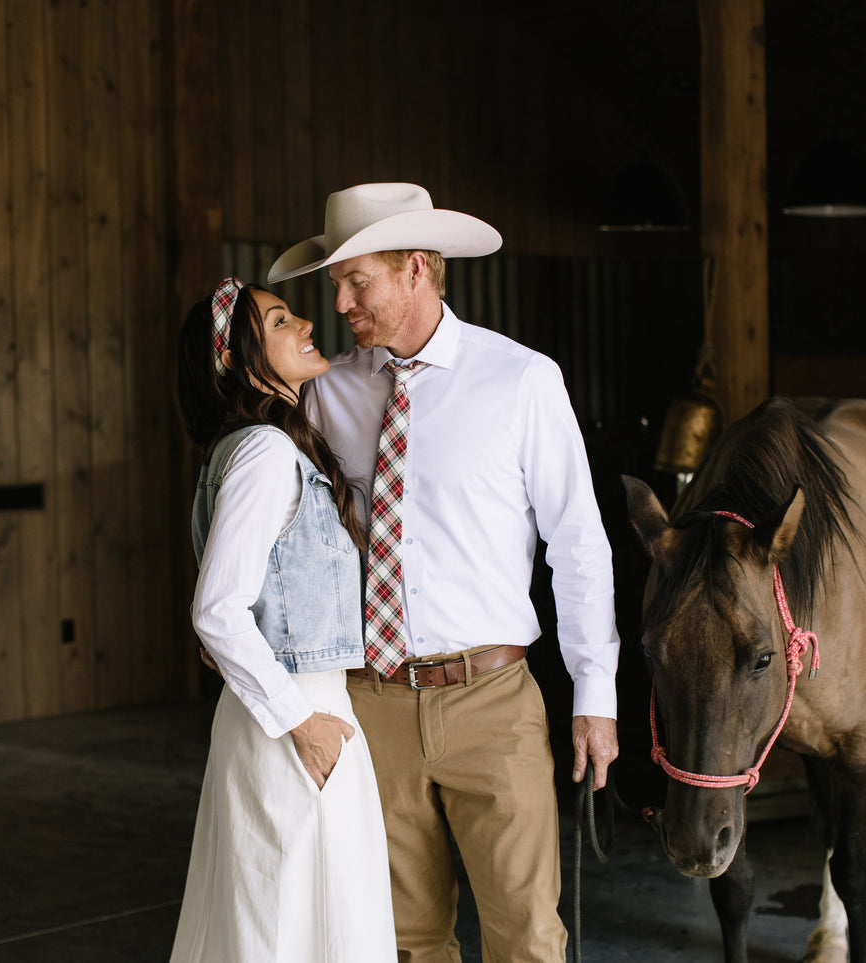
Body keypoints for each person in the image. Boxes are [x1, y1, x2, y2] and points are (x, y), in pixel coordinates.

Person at [267, 183, 621, 962]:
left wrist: (594, 695)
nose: (340, 302)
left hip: (492, 702)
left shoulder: (522, 380)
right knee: (402, 939)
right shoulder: (328, 392)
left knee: (526, 936)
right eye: (335, 283)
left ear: (416, 269)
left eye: (356, 281)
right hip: (369, 703)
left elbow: (577, 543)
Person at [170, 277, 396, 962]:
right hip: (294, 716)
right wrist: (303, 723)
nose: (305, 324)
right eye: (278, 321)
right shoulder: (266, 453)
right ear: (234, 361)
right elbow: (217, 610)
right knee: (290, 930)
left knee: (289, 923)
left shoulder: (249, 448)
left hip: (288, 709)